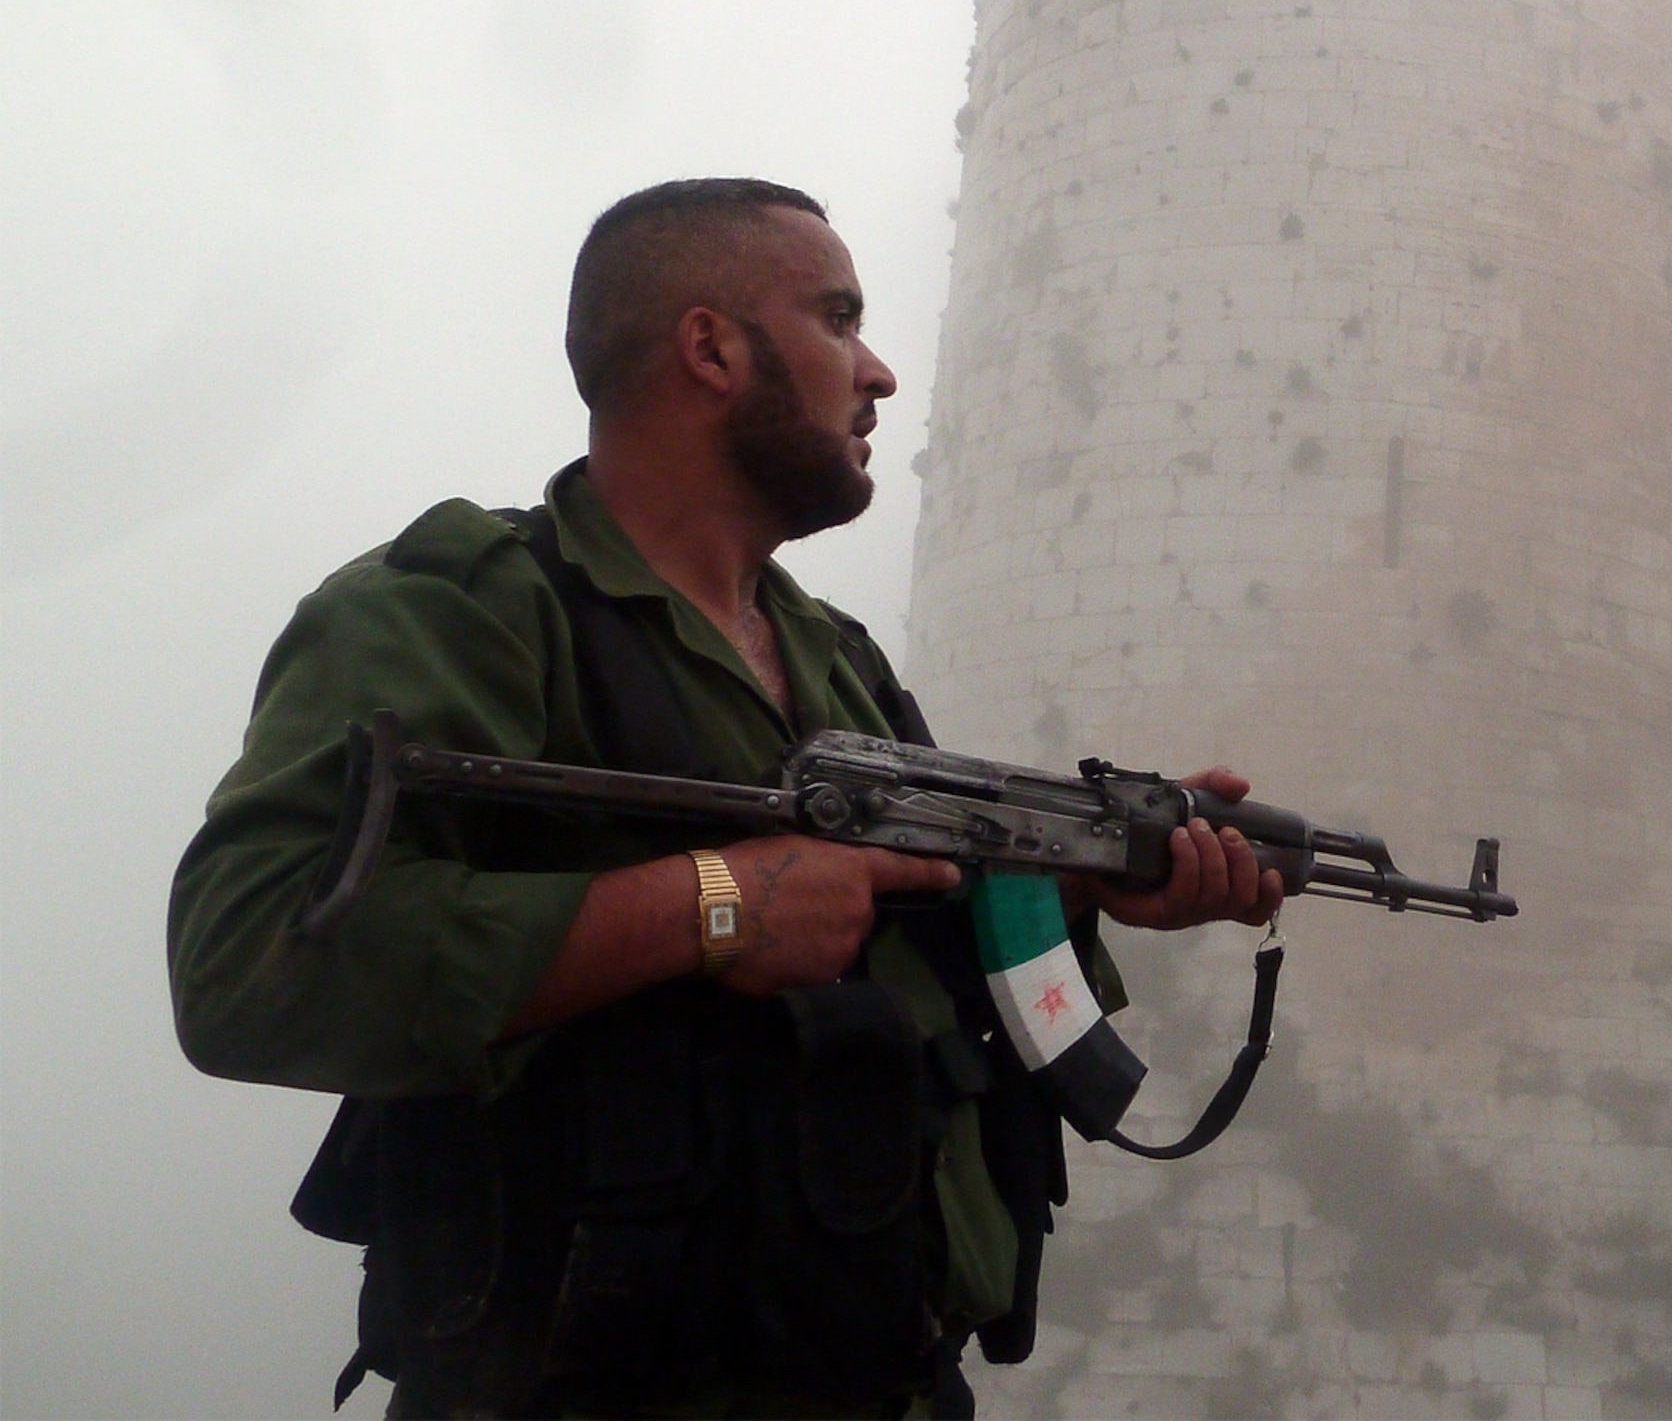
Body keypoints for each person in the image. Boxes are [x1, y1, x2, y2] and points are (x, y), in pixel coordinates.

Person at [167, 178, 1284, 1417]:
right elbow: (245, 966)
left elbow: (898, 955)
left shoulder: (838, 662)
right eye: (838, 320)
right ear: (710, 347)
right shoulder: (464, 610)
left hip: (886, 1376)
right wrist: (715, 904)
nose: (880, 374)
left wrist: (1082, 885)